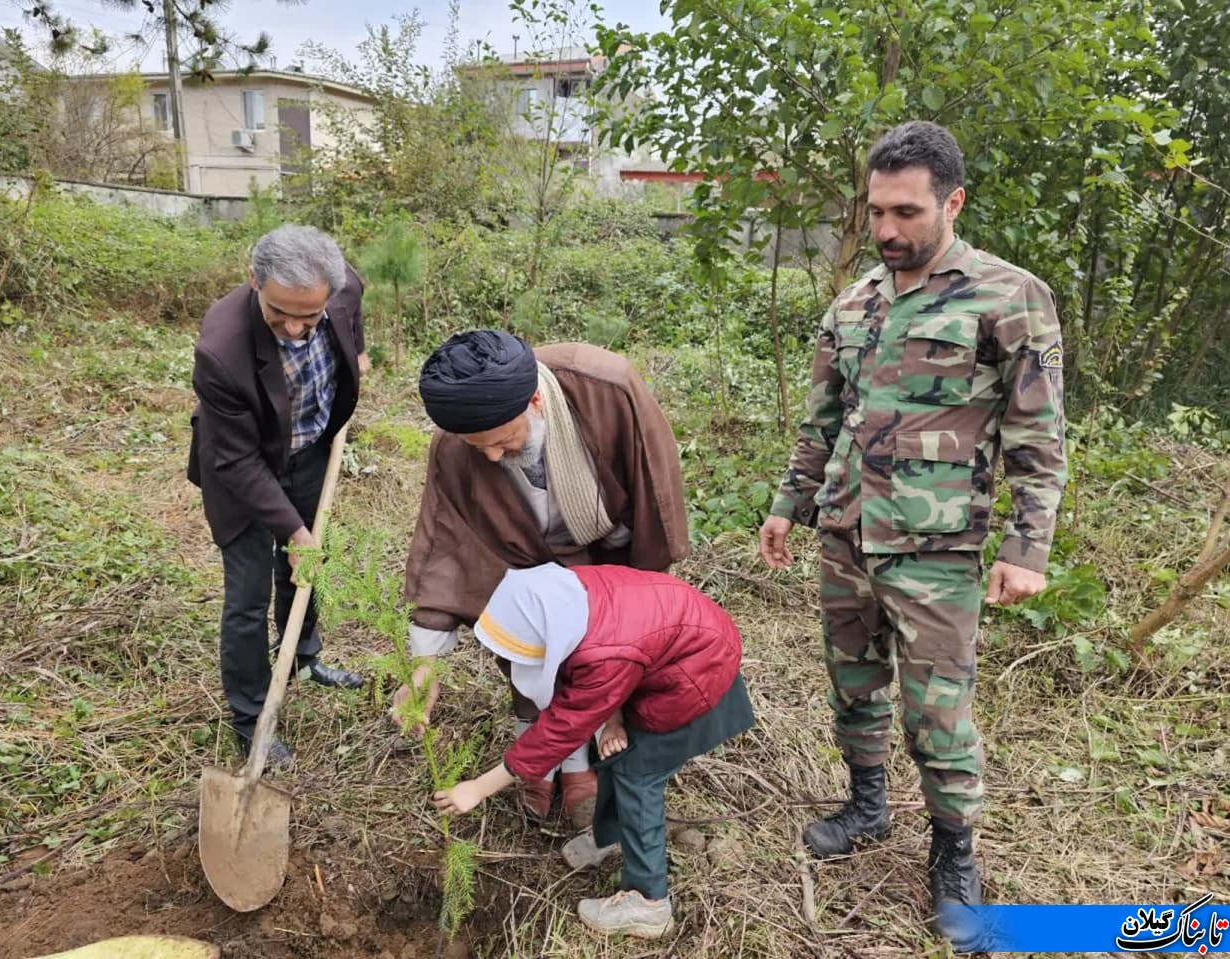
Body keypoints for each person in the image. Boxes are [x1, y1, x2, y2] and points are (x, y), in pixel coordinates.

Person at [758, 121, 1067, 950]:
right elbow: (822, 421)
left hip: (936, 552)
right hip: (847, 534)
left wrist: (1026, 544)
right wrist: (790, 503)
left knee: (939, 711)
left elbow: (1040, 438)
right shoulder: (853, 303)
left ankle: (954, 853)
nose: (888, 229)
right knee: (853, 682)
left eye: (906, 211)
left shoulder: (1009, 297)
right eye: (876, 212)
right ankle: (866, 803)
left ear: (952, 202)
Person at [398, 330, 690, 827]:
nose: (492, 457)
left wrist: (640, 602)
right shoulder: (455, 444)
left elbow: (654, 488)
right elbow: (444, 541)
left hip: (608, 551)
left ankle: (586, 760)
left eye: (504, 440)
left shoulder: (607, 389)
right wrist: (423, 666)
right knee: (527, 637)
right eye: (478, 447)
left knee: (599, 658)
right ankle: (539, 757)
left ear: (535, 399)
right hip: (523, 558)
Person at [432, 563, 755, 939]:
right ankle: (613, 835)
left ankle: (649, 902)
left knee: (638, 772)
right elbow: (621, 651)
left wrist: (480, 787)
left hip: (696, 673)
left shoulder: (604, 653)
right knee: (615, 749)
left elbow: (563, 729)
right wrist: (613, 716)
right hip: (670, 650)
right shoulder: (568, 595)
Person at [188, 224, 370, 768]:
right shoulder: (221, 350)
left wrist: (355, 352)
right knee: (247, 597)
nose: (294, 328)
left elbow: (352, 319)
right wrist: (290, 530)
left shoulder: (343, 288)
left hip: (310, 449)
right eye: (279, 313)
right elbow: (237, 460)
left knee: (306, 565)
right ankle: (250, 718)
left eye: (309, 317)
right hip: (242, 470)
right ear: (254, 281)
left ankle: (304, 657)